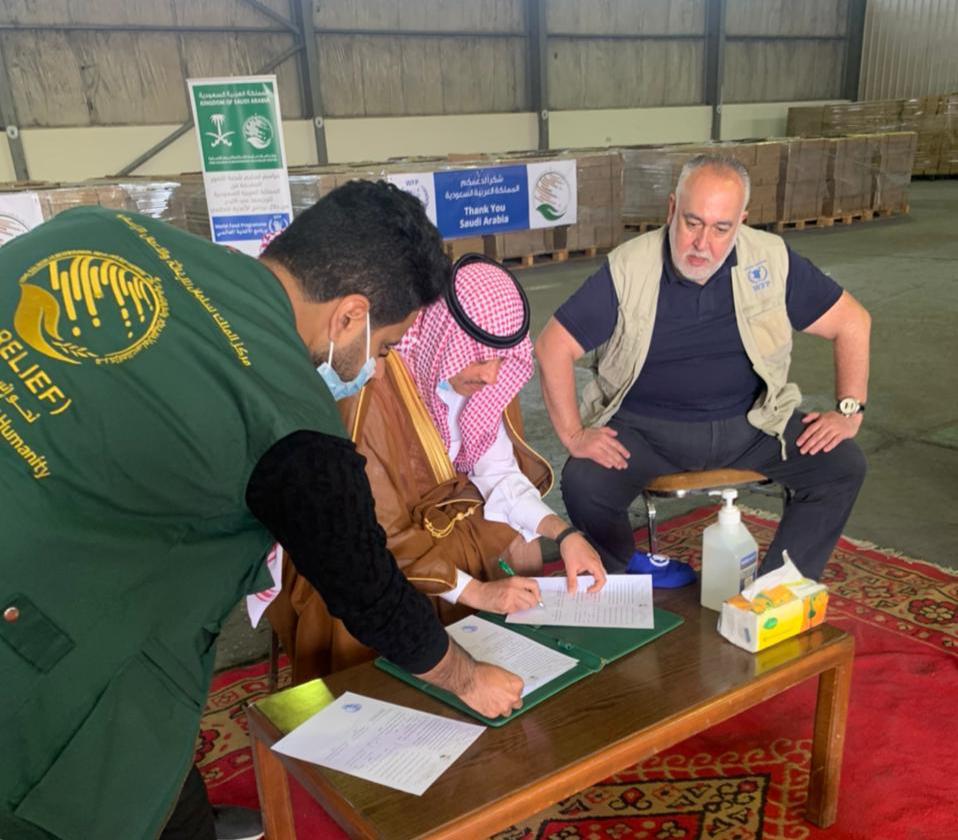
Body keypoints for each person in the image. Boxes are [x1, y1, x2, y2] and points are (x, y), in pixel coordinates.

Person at [0, 181, 525, 840]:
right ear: (350, 317)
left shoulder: (98, 232)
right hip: (39, 639)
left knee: (153, 763)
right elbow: (370, 594)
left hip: (55, 527)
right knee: (88, 779)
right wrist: (467, 678)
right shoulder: (293, 423)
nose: (378, 368)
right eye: (385, 347)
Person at [267, 255, 607, 683]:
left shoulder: (485, 384)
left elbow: (499, 474)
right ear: (447, 341)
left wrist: (566, 534)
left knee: (522, 547)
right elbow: (372, 531)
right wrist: (478, 592)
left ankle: (495, 678)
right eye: (480, 359)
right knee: (358, 601)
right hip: (369, 538)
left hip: (441, 522)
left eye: (502, 361)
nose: (491, 377)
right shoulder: (373, 388)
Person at [535, 154, 870, 583]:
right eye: (692, 223)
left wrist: (848, 411)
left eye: (721, 228)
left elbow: (852, 321)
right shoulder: (629, 267)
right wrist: (574, 435)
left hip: (753, 425)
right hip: (645, 432)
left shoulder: (770, 259)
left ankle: (778, 589)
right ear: (672, 209)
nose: (702, 243)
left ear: (741, 222)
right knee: (585, 481)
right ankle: (619, 566)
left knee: (841, 465)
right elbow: (553, 346)